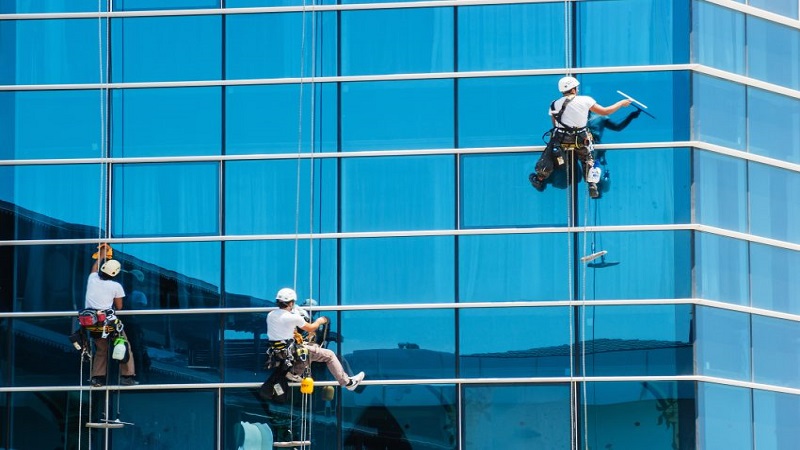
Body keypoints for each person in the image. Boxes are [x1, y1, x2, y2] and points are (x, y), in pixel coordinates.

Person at [530, 76, 632, 199]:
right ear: (573, 89)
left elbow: (554, 124)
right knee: (587, 158)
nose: (577, 89)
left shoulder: (554, 104)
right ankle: (591, 183)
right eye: (576, 87)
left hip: (561, 139)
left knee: (549, 154)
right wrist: (621, 103)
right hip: (580, 138)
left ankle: (541, 176)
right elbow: (605, 111)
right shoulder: (585, 100)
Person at [266, 287, 364, 391]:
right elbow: (311, 327)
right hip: (292, 353)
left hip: (280, 353)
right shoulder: (293, 317)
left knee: (311, 350)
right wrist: (320, 320)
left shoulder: (271, 315)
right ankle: (348, 383)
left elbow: (282, 331)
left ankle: (294, 372)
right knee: (329, 355)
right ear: (291, 303)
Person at [84, 243, 138, 387]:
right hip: (109, 323)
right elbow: (119, 306)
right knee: (123, 345)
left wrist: (102, 253)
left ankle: (97, 378)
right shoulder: (116, 286)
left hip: (92, 323)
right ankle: (127, 377)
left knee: (101, 350)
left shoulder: (92, 280)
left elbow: (95, 267)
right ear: (115, 273)